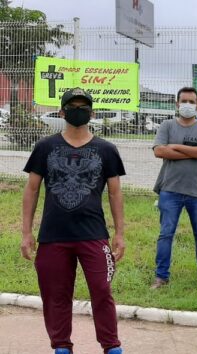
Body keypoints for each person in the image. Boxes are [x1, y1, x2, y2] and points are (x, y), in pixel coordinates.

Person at [21, 88, 125, 354]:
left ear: (92, 113)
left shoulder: (106, 150)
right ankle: (61, 346)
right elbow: (32, 189)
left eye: (83, 107)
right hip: (53, 235)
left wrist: (119, 233)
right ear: (61, 112)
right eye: (72, 106)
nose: (78, 111)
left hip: (93, 234)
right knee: (55, 295)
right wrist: (26, 232)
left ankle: (111, 346)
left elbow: (115, 193)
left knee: (102, 291)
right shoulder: (45, 147)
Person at [150, 87, 197, 289]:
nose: (187, 105)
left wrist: (176, 147)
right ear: (177, 104)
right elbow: (159, 151)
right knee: (166, 234)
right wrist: (194, 152)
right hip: (169, 190)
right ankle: (161, 276)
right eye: (184, 101)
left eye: (191, 101)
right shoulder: (167, 126)